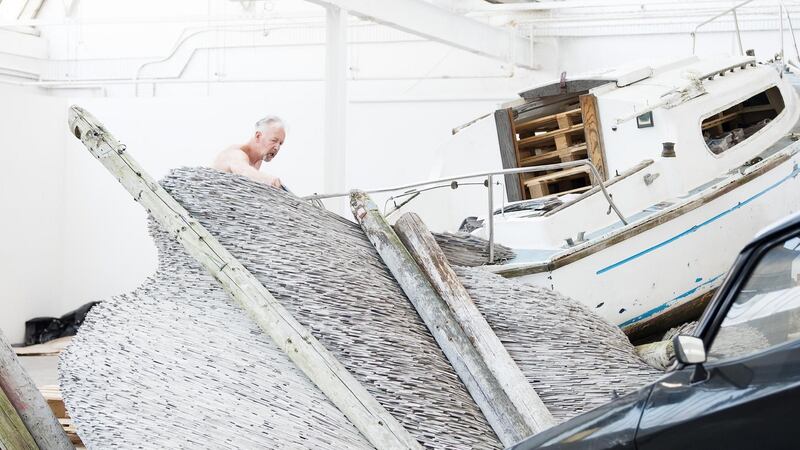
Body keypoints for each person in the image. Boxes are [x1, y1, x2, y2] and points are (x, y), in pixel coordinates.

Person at [213, 116, 286, 189]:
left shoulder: (258, 160)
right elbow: (244, 171)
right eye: (274, 140)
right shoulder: (235, 154)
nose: (277, 148)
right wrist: (270, 180)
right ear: (258, 136)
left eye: (280, 143)